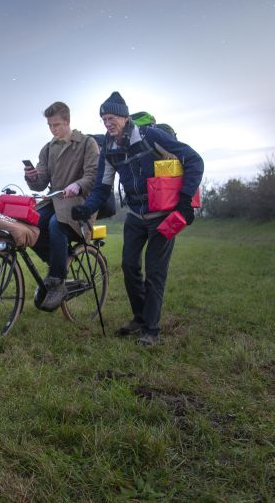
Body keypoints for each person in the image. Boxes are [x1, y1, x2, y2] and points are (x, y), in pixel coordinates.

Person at [72, 91, 204, 346]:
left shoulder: (150, 136)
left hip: (163, 216)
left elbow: (194, 160)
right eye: (103, 119)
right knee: (130, 265)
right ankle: (139, 317)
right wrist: (87, 208)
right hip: (135, 215)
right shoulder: (109, 149)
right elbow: (102, 186)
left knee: (155, 271)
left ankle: (151, 330)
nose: (107, 123)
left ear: (123, 117)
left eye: (111, 117)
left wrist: (186, 200)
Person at [24, 101, 99, 311]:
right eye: (49, 125)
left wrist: (78, 185)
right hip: (55, 199)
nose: (52, 129)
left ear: (67, 121)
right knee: (32, 225)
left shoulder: (87, 143)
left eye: (56, 124)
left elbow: (93, 176)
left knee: (57, 224)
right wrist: (32, 177)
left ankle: (56, 281)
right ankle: (60, 263)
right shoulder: (48, 149)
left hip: (80, 203)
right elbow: (41, 182)